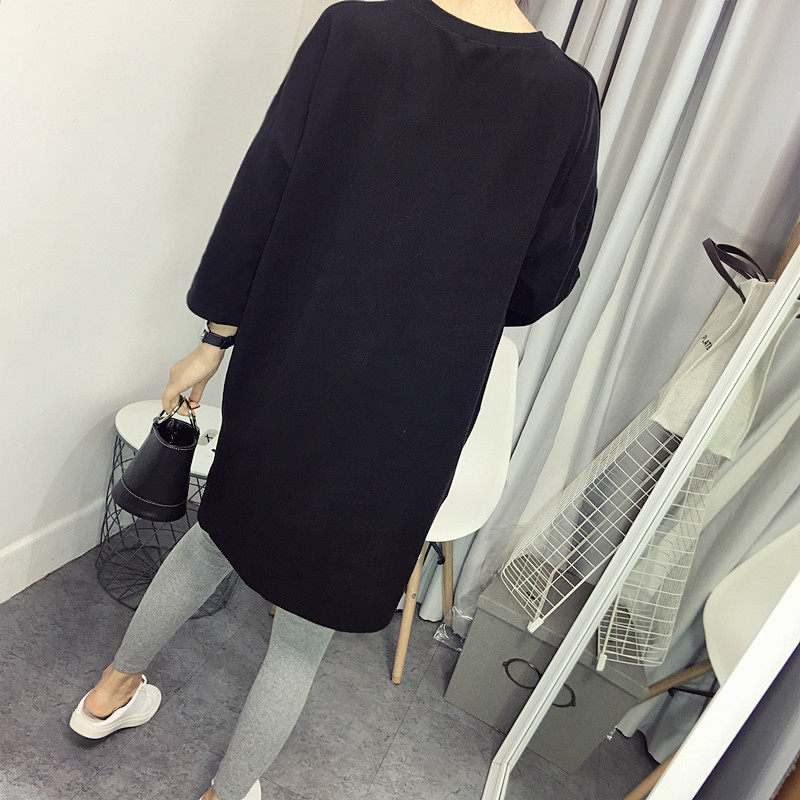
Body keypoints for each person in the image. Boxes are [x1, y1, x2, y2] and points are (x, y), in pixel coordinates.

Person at [69, 1, 600, 798]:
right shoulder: (566, 95)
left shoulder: (354, 30)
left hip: (294, 355)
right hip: (415, 402)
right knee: (305, 629)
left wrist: (214, 338)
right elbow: (539, 281)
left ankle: (109, 694)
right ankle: (225, 793)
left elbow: (264, 188)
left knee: (213, 540)